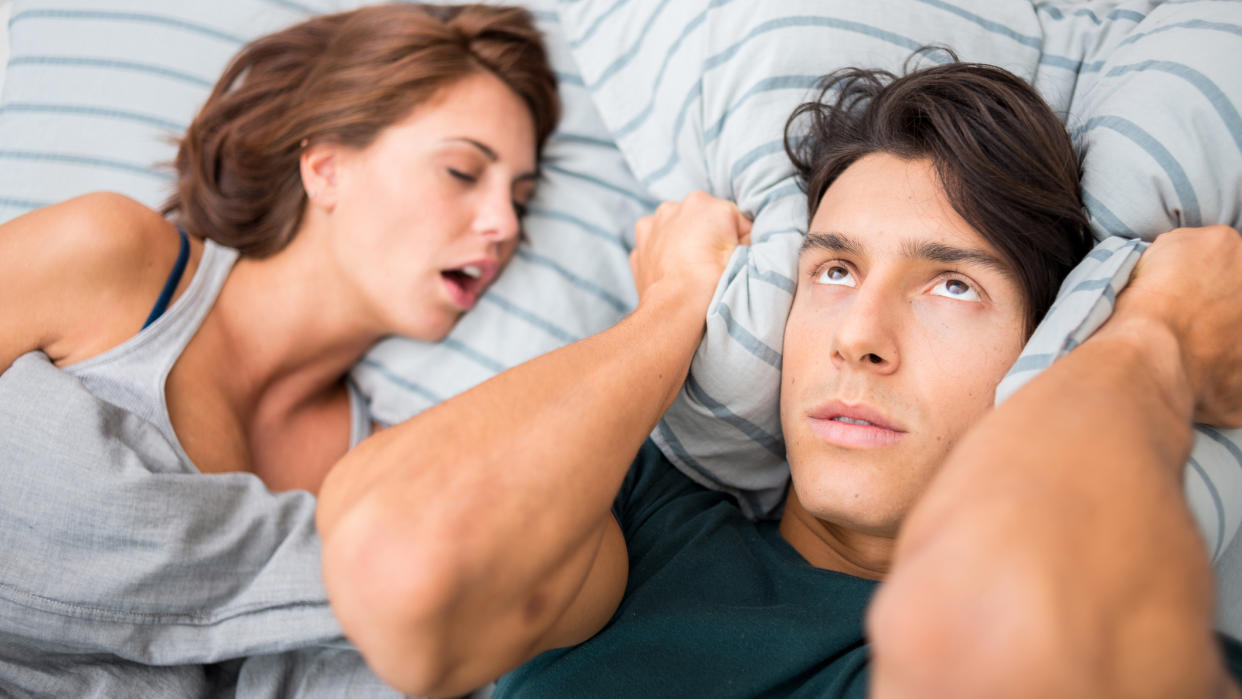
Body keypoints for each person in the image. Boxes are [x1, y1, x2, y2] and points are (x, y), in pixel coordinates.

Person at [316, 61, 1242, 697]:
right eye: (832, 272)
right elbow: (408, 570)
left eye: (952, 285)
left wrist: (1153, 341)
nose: (858, 339)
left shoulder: (1128, 624)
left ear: (1045, 344)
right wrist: (677, 303)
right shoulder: (646, 527)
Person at [0, 4, 557, 695]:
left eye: (522, 200)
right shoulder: (113, 256)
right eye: (462, 171)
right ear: (326, 168)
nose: (503, 225)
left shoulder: (379, 469)